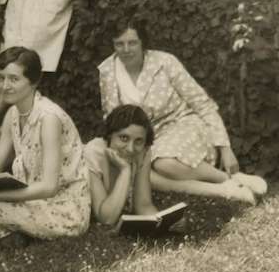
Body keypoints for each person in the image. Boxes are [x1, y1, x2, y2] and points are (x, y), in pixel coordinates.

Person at [98, 19, 266, 204]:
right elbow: (113, 119)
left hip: (182, 124)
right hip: (141, 139)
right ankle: (223, 190)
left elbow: (202, 104)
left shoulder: (164, 62)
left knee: (164, 163)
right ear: (113, 45)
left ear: (142, 42)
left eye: (132, 43)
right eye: (119, 44)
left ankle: (229, 178)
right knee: (143, 175)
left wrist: (225, 148)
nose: (126, 49)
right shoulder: (107, 71)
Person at [0, 47, 91, 242]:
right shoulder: (13, 113)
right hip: (30, 196)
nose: (5, 86)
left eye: (14, 79)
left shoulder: (49, 119)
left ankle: (9, 232)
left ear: (33, 82)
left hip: (61, 205)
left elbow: (49, 187)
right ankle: (15, 232)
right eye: (1, 78)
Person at [85, 105, 162, 225]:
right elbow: (106, 218)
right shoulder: (93, 153)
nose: (131, 149)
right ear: (110, 135)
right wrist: (125, 171)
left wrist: (162, 221)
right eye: (124, 138)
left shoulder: (143, 151)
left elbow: (143, 205)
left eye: (138, 141)